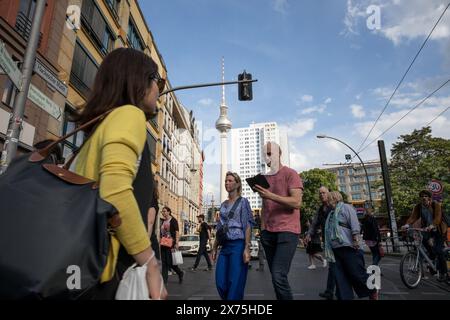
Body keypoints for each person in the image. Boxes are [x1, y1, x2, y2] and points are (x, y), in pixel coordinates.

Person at [74, 48, 166, 300]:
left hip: (79, 267)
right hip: (105, 272)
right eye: (157, 80)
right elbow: (114, 191)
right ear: (139, 81)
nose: (160, 90)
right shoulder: (129, 115)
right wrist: (150, 261)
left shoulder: (99, 128)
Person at [254, 142, 303, 300]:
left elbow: (296, 202)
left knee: (278, 275)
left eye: (270, 153)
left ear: (278, 153)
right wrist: (262, 230)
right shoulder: (264, 178)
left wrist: (270, 195)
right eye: (265, 154)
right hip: (268, 233)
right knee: (277, 278)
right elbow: (265, 206)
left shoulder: (291, 174)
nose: (267, 157)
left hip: (287, 231)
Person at [324, 191, 378, 300]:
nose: (327, 200)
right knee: (340, 278)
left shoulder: (346, 208)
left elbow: (354, 224)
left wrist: (356, 239)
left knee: (357, 274)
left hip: (349, 247)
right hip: (335, 250)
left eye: (329, 198)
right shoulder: (330, 213)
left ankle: (373, 288)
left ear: (335, 198)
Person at [212, 172, 255, 300]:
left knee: (235, 283)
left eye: (230, 181)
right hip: (224, 246)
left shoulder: (243, 202)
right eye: (226, 181)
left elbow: (247, 225)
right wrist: (214, 247)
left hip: (238, 245)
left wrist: (247, 248)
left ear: (237, 184)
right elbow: (220, 228)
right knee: (220, 282)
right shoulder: (223, 204)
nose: (227, 183)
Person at [402, 190, 448, 282]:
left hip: (439, 230)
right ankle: (432, 262)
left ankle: (444, 272)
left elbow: (438, 217)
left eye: (426, 196)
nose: (423, 198)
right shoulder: (419, 207)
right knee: (426, 244)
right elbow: (413, 217)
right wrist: (407, 225)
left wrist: (433, 225)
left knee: (438, 251)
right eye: (422, 196)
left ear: (429, 198)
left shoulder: (436, 205)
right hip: (427, 230)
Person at [305, 186, 335, 299]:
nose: (322, 195)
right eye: (320, 193)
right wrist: (308, 234)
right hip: (329, 241)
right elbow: (314, 223)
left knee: (342, 267)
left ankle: (368, 289)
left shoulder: (334, 206)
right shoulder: (320, 209)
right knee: (333, 266)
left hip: (339, 241)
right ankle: (330, 291)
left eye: (324, 193)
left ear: (329, 193)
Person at [160, 207, 185, 284]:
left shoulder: (173, 220)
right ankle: (164, 281)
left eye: (164, 211)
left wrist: (177, 243)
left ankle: (180, 273)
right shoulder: (163, 221)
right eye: (162, 211)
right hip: (163, 243)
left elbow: (177, 232)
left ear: (169, 212)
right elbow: (162, 232)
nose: (163, 213)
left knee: (170, 262)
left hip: (171, 243)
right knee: (164, 263)